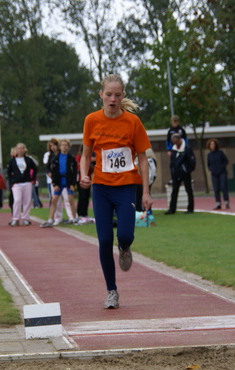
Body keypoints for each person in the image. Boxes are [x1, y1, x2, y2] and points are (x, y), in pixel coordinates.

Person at [80, 74, 153, 310]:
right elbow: (85, 154)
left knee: (125, 236)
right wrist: (84, 174)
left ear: (123, 96)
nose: (113, 99)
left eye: (117, 95)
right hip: (101, 188)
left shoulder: (133, 122)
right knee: (103, 240)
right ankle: (112, 291)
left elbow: (143, 159)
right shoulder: (91, 120)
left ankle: (124, 248)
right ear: (101, 95)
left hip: (125, 187)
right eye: (109, 94)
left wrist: (146, 191)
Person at [41, 139, 78, 227]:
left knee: (70, 200)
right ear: (60, 147)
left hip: (68, 181)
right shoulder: (55, 158)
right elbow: (53, 171)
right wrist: (55, 184)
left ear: (68, 147)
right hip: (59, 181)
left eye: (66, 145)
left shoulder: (71, 158)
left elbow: (74, 172)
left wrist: (73, 184)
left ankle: (74, 218)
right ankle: (50, 219)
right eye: (62, 145)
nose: (64, 147)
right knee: (54, 200)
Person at [6, 143, 38, 226]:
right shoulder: (12, 161)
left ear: (24, 149)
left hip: (27, 182)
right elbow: (9, 172)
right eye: (19, 148)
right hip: (16, 183)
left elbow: (35, 169)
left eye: (22, 148)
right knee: (17, 200)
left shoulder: (28, 160)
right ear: (16, 150)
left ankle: (25, 218)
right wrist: (11, 182)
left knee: (27, 201)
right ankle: (15, 218)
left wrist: (32, 179)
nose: (20, 150)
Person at [165, 133, 195, 214]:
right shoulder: (173, 149)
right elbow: (172, 161)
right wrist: (172, 170)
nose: (175, 142)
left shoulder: (187, 148)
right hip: (176, 173)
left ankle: (190, 208)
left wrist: (186, 170)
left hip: (185, 173)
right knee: (174, 191)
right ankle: (172, 209)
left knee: (188, 190)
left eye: (176, 140)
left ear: (179, 139)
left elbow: (192, 161)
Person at [207, 138, 230, 209]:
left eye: (213, 144)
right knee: (216, 188)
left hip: (222, 172)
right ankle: (218, 203)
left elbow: (226, 161)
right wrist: (211, 169)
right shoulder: (209, 155)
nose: (212, 145)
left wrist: (222, 167)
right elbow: (208, 164)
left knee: (223, 186)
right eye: (211, 144)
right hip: (214, 174)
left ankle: (226, 202)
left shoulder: (220, 153)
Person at [76, 146, 95, 218]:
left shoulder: (89, 158)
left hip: (88, 179)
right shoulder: (79, 157)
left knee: (87, 197)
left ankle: (85, 214)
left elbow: (91, 169)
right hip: (81, 179)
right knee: (82, 196)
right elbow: (78, 166)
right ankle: (80, 213)